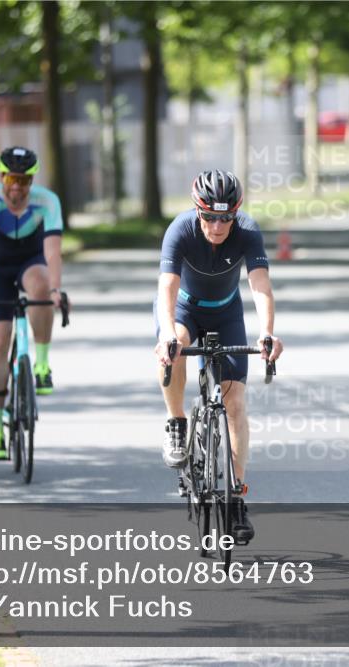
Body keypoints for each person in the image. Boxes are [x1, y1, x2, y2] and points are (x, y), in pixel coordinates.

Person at [154, 170, 284, 543]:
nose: (216, 225)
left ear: (235, 214)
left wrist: (267, 331)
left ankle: (236, 499)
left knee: (236, 404)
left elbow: (260, 284)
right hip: (182, 309)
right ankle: (176, 422)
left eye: (224, 217)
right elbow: (167, 285)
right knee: (176, 345)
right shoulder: (180, 230)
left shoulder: (247, 231)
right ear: (198, 212)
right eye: (209, 216)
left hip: (226, 311)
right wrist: (166, 334)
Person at [0, 147, 65, 460]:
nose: (18, 186)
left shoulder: (47, 201)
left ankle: (40, 364)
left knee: (41, 286)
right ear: (1, 177)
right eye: (12, 178)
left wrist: (56, 290)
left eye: (25, 179)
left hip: (30, 261)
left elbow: (53, 251)